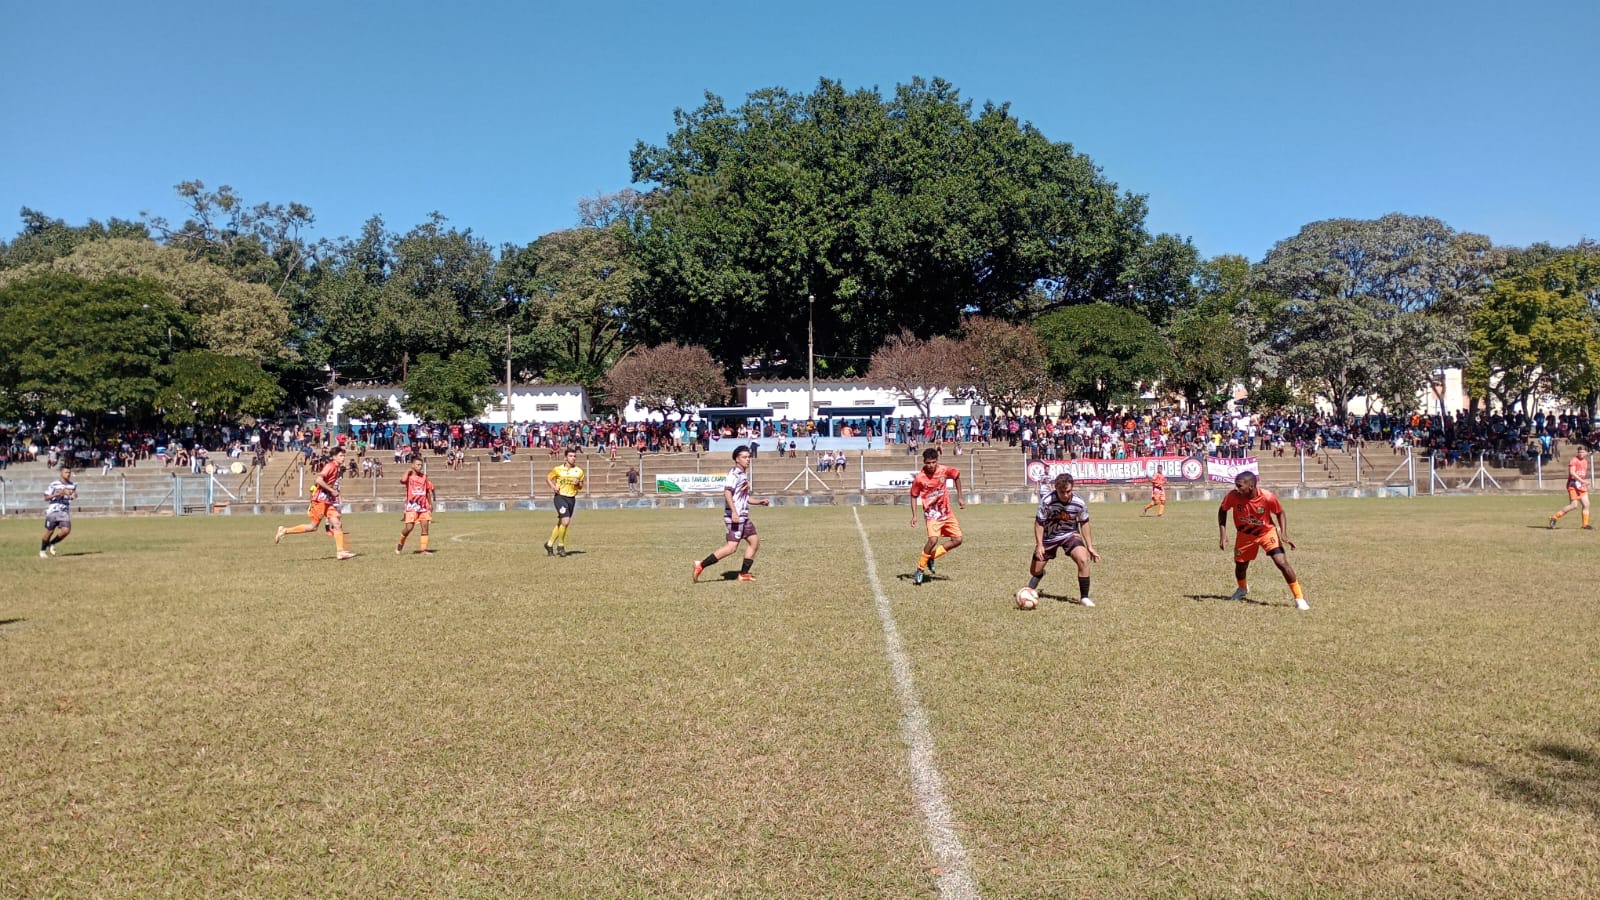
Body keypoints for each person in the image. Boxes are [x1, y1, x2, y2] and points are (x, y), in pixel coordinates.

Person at [1218, 471, 1307, 610]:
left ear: (1251, 486)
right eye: (1236, 485)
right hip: (1244, 535)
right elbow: (1222, 510)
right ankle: (1242, 589)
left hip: (1266, 533)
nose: (1237, 489)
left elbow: (1280, 512)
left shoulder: (1267, 497)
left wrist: (1283, 534)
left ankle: (1299, 598)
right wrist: (1223, 534)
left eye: (1240, 486)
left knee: (1281, 562)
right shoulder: (1233, 496)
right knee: (1240, 566)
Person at [692, 445, 769, 582]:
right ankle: (701, 565)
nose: (748, 460)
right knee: (731, 547)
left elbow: (744, 498)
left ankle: (743, 574)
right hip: (736, 517)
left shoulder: (742, 475)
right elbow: (727, 492)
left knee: (754, 542)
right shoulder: (733, 475)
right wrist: (734, 512)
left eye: (748, 457)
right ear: (737, 459)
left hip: (743, 516)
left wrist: (759, 502)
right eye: (744, 457)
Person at [1028, 473, 1100, 606]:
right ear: (1055, 488)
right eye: (1062, 492)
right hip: (1049, 537)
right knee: (1034, 571)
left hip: (1070, 534)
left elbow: (1084, 523)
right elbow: (1039, 523)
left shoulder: (1079, 503)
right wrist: (1039, 545)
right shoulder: (1047, 501)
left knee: (1083, 559)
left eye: (1069, 491)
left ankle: (1084, 597)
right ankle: (1039, 575)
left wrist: (1089, 546)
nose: (1066, 495)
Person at [275, 446, 355, 560]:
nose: (343, 458)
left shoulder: (337, 468)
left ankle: (340, 552)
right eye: (341, 456)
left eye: (344, 456)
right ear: (334, 457)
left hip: (328, 500)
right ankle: (285, 530)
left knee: (337, 524)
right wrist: (332, 490)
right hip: (320, 500)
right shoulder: (330, 466)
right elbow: (318, 480)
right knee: (313, 527)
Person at [909, 448, 964, 585]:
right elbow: (913, 495)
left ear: (937, 461)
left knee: (957, 539)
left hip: (946, 512)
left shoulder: (943, 470)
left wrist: (960, 497)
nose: (931, 465)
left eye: (933, 462)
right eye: (928, 462)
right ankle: (920, 569)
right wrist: (914, 516)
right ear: (924, 462)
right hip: (932, 514)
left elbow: (956, 476)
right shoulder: (920, 478)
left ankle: (931, 557)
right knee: (933, 540)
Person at [544, 447, 586, 556]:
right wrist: (553, 487)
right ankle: (561, 546)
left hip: (571, 498)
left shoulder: (579, 471)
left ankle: (549, 544)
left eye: (574, 456)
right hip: (560, 497)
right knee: (566, 521)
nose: (573, 458)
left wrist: (578, 483)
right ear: (565, 458)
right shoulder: (557, 469)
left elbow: (581, 486)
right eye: (571, 456)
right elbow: (548, 478)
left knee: (562, 523)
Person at [396, 457, 437, 555]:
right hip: (412, 506)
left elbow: (427, 491)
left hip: (423, 506)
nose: (420, 467)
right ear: (413, 465)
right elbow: (402, 480)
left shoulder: (424, 477)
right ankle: (400, 544)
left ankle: (423, 550)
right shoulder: (409, 477)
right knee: (409, 528)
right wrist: (408, 471)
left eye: (421, 465)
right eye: (418, 465)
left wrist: (430, 504)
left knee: (425, 527)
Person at [1549, 444, 1591, 529]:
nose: (1581, 454)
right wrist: (1582, 481)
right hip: (1573, 485)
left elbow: (1581, 474)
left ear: (1586, 453)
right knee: (1574, 505)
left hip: (1581, 485)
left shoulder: (1585, 462)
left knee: (1586, 504)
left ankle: (1585, 525)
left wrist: (1582, 482)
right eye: (1579, 452)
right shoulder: (1574, 460)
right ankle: (1555, 517)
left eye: (1582, 452)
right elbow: (1572, 473)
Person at [40, 466, 76, 558]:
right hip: (53, 511)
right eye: (66, 472)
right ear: (61, 473)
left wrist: (74, 495)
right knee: (50, 531)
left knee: (66, 531)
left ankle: (52, 543)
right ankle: (42, 551)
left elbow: (73, 494)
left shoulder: (72, 485)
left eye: (69, 472)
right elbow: (46, 497)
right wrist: (57, 494)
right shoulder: (54, 484)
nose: (68, 474)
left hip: (64, 511)